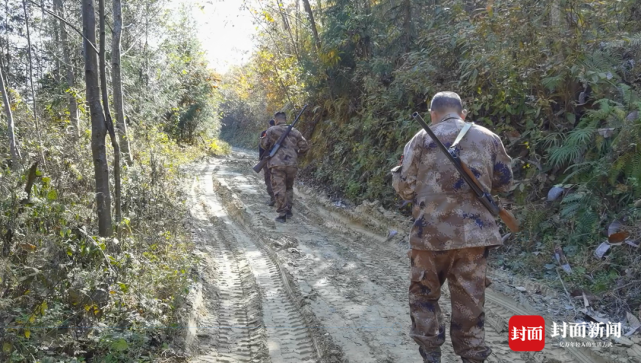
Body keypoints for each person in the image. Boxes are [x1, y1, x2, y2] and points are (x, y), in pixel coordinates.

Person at [391, 92, 513, 363]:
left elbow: (405, 188)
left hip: (430, 236)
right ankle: (472, 355)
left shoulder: (420, 139)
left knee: (424, 294)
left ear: (432, 113)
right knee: (469, 301)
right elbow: (505, 182)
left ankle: (431, 353)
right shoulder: (489, 137)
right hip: (475, 236)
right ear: (463, 113)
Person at [260, 111, 309, 223]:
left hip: (276, 164)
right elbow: (305, 146)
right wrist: (296, 154)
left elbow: (264, 145)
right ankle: (289, 211)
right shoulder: (295, 131)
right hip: (292, 164)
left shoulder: (271, 130)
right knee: (289, 187)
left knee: (279, 188)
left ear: (276, 119)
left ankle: (282, 214)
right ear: (285, 119)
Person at [259, 119, 276, 206]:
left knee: (268, 179)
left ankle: (273, 198)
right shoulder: (282, 133)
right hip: (280, 160)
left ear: (269, 124)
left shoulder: (265, 133)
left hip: (267, 159)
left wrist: (261, 158)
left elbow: (261, 147)